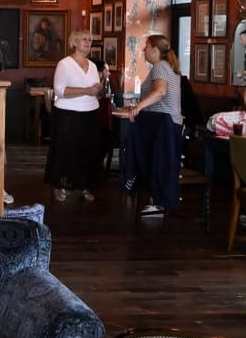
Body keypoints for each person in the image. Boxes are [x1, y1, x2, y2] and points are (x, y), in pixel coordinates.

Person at [116, 34, 183, 218]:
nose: (143, 50)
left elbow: (160, 91)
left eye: (146, 46)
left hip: (164, 127)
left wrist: (138, 107)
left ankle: (158, 202)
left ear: (154, 49)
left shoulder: (161, 66)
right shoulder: (167, 66)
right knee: (156, 164)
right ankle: (156, 201)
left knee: (156, 164)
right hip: (167, 125)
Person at [47, 31, 106, 201]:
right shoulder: (64, 64)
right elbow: (60, 90)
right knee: (66, 151)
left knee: (87, 151)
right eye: (84, 40)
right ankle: (60, 186)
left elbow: (95, 91)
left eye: (90, 40)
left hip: (90, 112)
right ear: (74, 43)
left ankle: (84, 186)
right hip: (68, 113)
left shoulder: (93, 65)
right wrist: (86, 91)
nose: (88, 42)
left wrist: (98, 89)